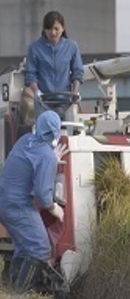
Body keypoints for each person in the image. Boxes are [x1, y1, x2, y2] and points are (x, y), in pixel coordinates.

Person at [0, 110, 65, 294]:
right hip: (17, 205)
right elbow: (43, 195)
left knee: (23, 248)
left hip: (3, 202)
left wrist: (51, 157)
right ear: (56, 131)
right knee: (39, 248)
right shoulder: (46, 155)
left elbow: (31, 161)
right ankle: (19, 295)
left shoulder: (25, 140)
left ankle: (8, 290)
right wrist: (56, 209)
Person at [24, 10, 84, 120]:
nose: (53, 32)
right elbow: (30, 74)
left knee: (66, 134)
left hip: (66, 102)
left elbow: (77, 72)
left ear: (63, 28)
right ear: (44, 29)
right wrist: (37, 92)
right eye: (49, 29)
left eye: (56, 29)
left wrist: (75, 93)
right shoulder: (34, 47)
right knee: (45, 134)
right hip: (43, 101)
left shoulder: (72, 46)